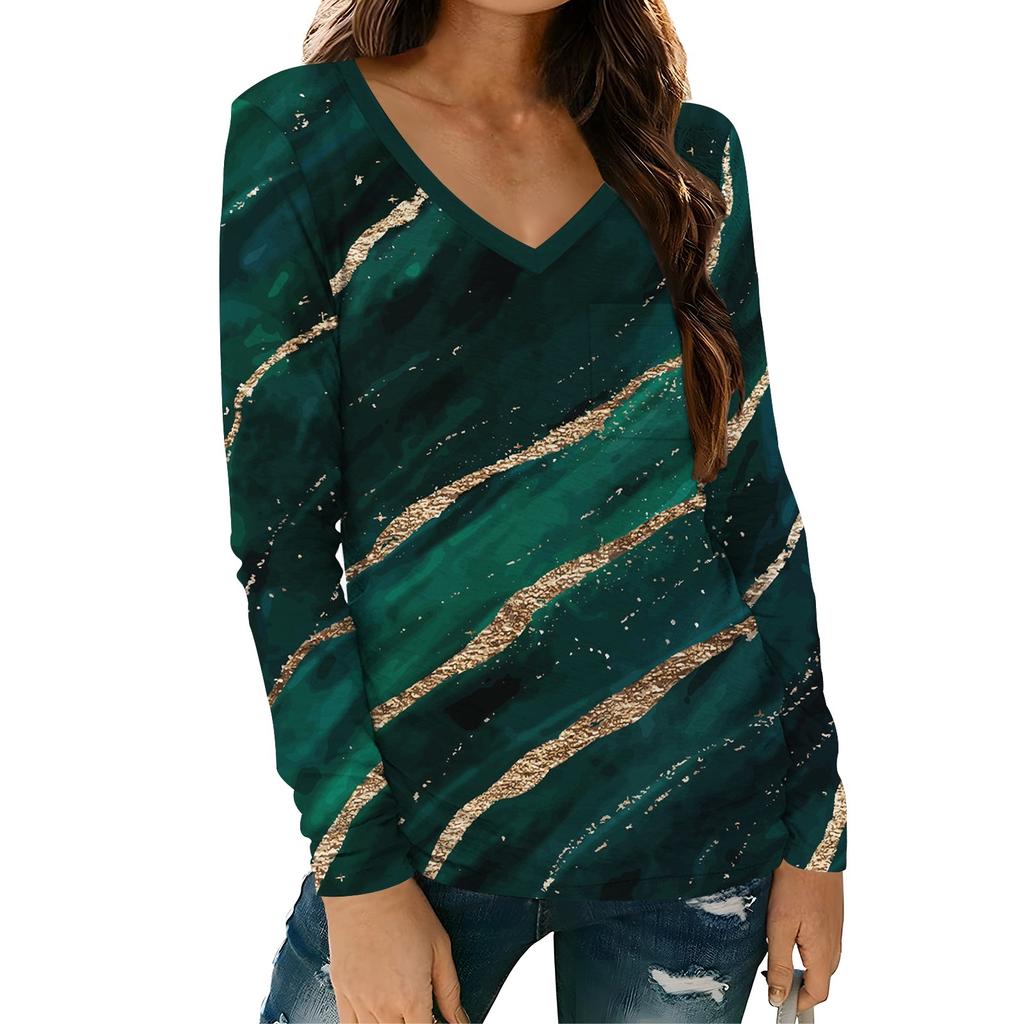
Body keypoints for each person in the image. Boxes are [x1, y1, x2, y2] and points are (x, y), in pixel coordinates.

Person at [218, 2, 847, 1021]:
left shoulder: (689, 156)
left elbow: (751, 505)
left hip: (700, 816)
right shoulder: (302, 135)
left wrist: (817, 828)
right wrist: (358, 874)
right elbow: (283, 550)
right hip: (425, 828)